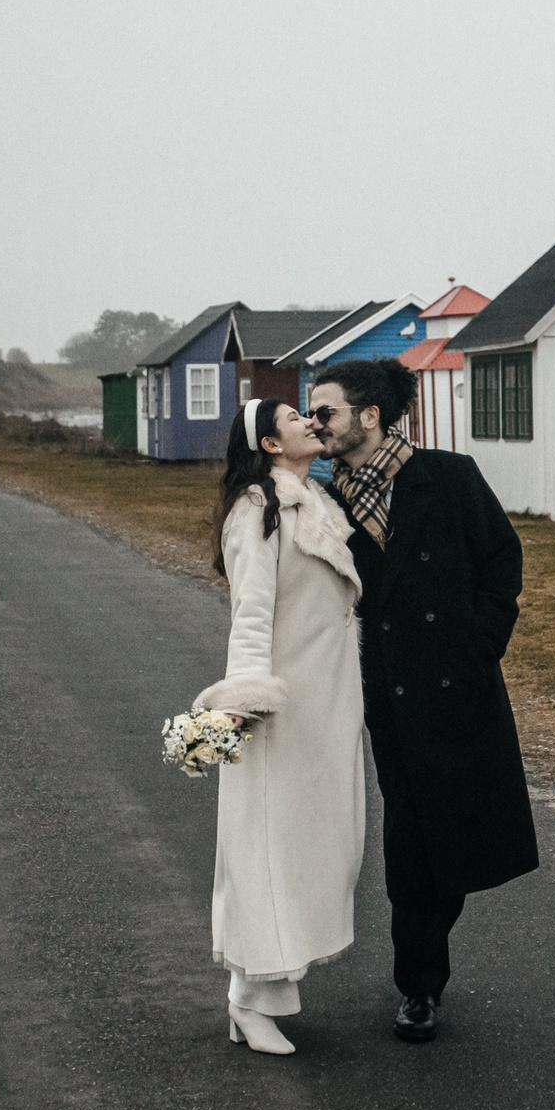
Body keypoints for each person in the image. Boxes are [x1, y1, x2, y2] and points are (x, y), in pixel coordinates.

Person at [307, 358, 536, 1043]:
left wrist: (480, 640)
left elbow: (502, 558)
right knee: (411, 840)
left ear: (369, 416)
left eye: (326, 412)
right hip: (390, 697)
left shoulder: (451, 476)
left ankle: (425, 963)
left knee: (460, 833)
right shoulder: (326, 503)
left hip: (460, 687)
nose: (316, 424)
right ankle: (420, 986)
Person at [195, 397, 368, 1056]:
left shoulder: (312, 501)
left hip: (325, 706)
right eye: (296, 416)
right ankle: (247, 997)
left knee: (310, 848)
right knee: (265, 847)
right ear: (269, 442)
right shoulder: (256, 513)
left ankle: (267, 992)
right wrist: (242, 703)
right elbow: (250, 614)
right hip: (280, 708)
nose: (310, 421)